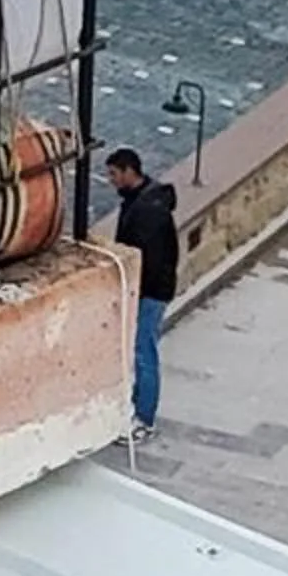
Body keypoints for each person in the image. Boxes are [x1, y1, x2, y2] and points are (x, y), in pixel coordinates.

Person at [107, 146, 178, 444]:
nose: (110, 180)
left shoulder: (146, 210)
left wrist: (133, 291)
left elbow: (147, 258)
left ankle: (144, 419)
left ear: (128, 172)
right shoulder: (145, 201)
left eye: (113, 174)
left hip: (149, 293)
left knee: (143, 352)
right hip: (152, 289)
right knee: (141, 351)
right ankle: (136, 410)